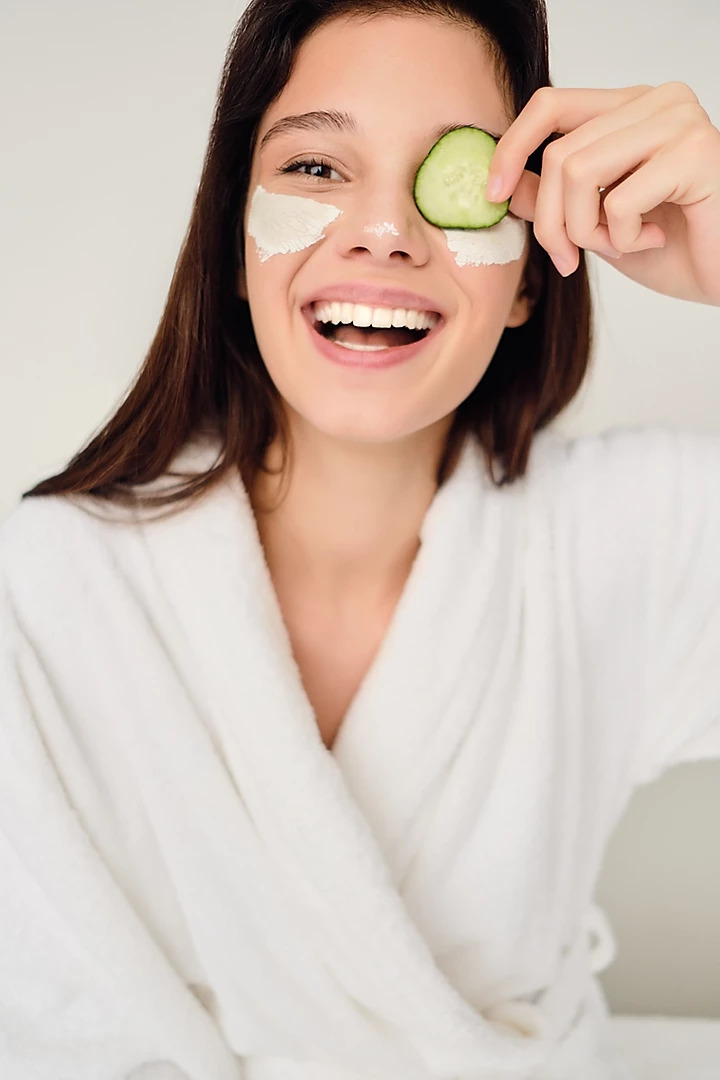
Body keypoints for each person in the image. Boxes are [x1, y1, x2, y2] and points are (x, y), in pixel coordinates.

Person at [1, 1, 719, 1078]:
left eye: (461, 178)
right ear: (236, 247)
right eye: (319, 169)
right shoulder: (41, 590)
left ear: (528, 273)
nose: (385, 231)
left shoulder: (632, 538)